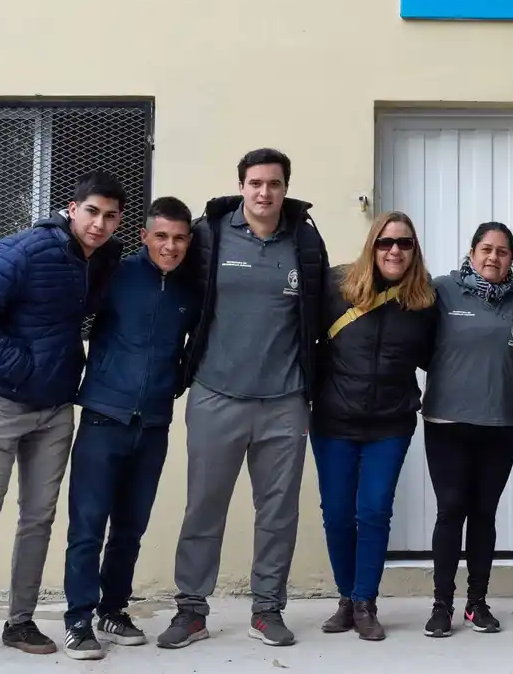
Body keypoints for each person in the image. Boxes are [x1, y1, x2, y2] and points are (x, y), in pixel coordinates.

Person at [0, 171, 127, 670]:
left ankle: (20, 620)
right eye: (92, 212)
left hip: (55, 407)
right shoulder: (23, 250)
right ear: (71, 208)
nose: (99, 224)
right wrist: (19, 367)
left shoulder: (103, 257)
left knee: (38, 517)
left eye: (110, 216)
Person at [160, 148, 330, 651]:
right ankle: (191, 610)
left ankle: (267, 609)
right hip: (216, 395)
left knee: (278, 512)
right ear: (241, 186)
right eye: (255, 183)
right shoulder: (209, 234)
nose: (264, 192)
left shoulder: (304, 238)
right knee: (204, 508)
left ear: (285, 188)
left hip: (284, 401)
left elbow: (323, 302)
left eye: (273, 184)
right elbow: (164, 268)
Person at [61, 197, 201, 660]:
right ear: (144, 236)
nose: (171, 245)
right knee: (87, 526)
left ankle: (112, 608)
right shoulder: (114, 274)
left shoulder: (189, 288)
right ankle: (79, 618)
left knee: (129, 528)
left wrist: (175, 384)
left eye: (180, 237)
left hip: (154, 423)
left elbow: (195, 345)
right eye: (161, 236)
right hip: (104, 416)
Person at [311, 212, 438, 641]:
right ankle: (346, 599)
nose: (394, 251)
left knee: (374, 510)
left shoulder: (424, 302)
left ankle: (366, 602)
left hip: (390, 424)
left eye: (404, 244)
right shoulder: (335, 287)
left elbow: (441, 353)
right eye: (385, 243)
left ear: (414, 251)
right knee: (338, 515)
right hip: (333, 421)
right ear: (372, 246)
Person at [420, 222, 513, 638]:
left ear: (512, 260)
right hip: (447, 421)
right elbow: (416, 340)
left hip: (500, 421)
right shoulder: (442, 290)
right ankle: (441, 605)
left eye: (502, 252)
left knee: (484, 514)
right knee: (451, 511)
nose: (493, 257)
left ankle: (476, 604)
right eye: (486, 249)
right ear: (471, 253)